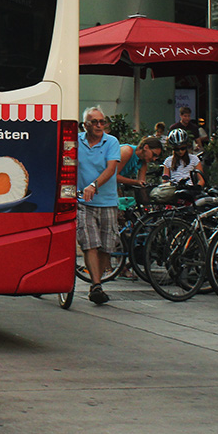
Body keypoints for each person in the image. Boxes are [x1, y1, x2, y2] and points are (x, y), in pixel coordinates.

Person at [77, 105, 121, 305]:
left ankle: (97, 281)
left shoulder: (111, 142)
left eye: (102, 121)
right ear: (85, 125)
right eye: (95, 122)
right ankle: (96, 285)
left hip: (107, 200)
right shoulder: (76, 142)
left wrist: (93, 185)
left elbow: (111, 168)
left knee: (106, 246)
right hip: (83, 202)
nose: (99, 125)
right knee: (90, 243)